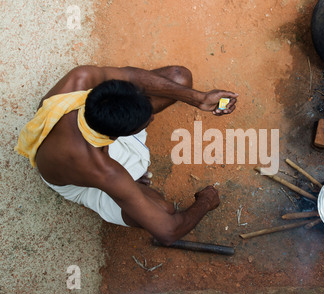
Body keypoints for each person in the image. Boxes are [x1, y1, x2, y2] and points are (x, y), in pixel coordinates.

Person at [15, 65, 238, 245]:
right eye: (146, 120)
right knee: (164, 210)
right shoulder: (102, 170)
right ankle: (123, 189)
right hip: (83, 182)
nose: (152, 117)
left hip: (91, 142)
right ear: (119, 137)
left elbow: (130, 74)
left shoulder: (80, 79)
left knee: (179, 78)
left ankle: (132, 181)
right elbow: (168, 231)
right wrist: (206, 202)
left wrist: (198, 98)